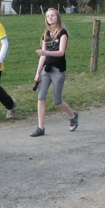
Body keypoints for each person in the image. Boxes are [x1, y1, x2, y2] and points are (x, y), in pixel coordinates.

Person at [31, 8, 79, 137]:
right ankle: (40, 127)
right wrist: (38, 72)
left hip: (58, 70)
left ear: (57, 17)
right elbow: (43, 56)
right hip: (47, 69)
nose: (50, 18)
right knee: (41, 97)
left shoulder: (62, 33)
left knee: (57, 101)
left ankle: (73, 116)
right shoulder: (46, 34)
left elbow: (61, 52)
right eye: (48, 16)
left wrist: (45, 53)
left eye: (52, 16)